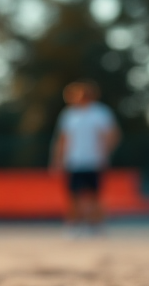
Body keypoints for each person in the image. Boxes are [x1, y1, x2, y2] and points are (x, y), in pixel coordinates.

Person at [50, 80, 120, 235]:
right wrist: (57, 159)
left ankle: (96, 225)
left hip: (94, 161)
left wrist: (104, 153)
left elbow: (112, 135)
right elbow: (62, 139)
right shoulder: (69, 114)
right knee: (73, 195)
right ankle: (73, 225)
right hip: (74, 161)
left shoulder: (100, 113)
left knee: (94, 195)